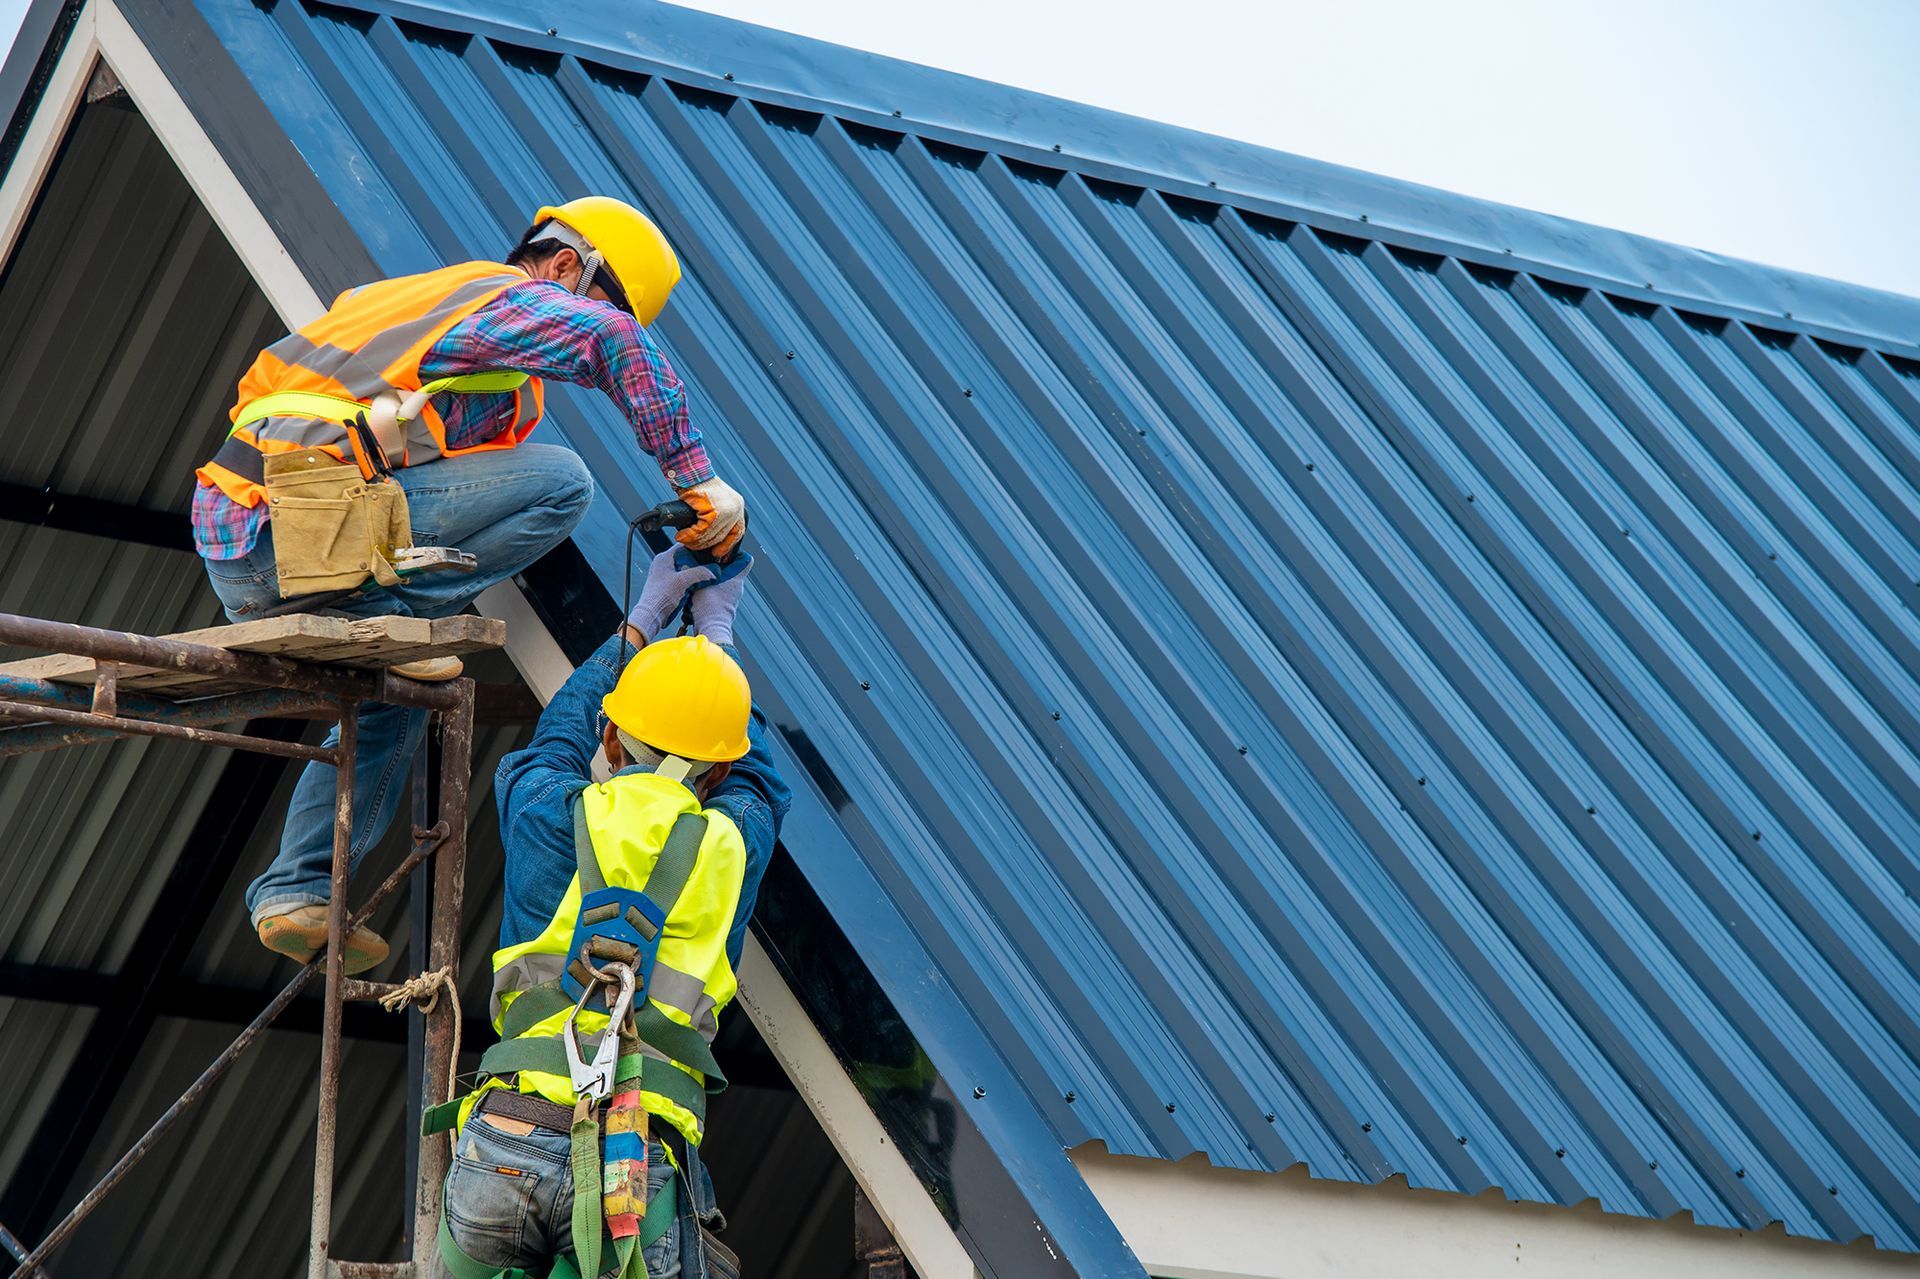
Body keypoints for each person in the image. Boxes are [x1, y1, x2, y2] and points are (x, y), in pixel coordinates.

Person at [190, 196, 749, 973]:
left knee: (393, 694)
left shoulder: (442, 347)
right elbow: (608, 338)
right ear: (563, 266)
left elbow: (425, 485)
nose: (594, 316)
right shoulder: (488, 295)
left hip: (253, 552)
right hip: (288, 525)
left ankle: (299, 887)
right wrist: (700, 480)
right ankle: (388, 616)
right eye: (599, 295)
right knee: (563, 482)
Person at [433, 545, 789, 1279]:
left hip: (506, 1141)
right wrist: (716, 643)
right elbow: (758, 781)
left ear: (611, 738)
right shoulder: (730, 847)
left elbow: (558, 734)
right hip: (634, 1168)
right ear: (716, 770)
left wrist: (642, 621)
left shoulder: (545, 811)